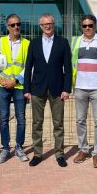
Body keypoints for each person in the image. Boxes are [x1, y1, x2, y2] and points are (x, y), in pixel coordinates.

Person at [24, 12, 72, 168]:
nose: (48, 26)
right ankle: (37, 154)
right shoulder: (34, 43)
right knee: (37, 123)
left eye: (50, 23)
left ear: (54, 24)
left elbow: (68, 68)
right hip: (37, 88)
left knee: (58, 124)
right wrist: (26, 89)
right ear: (40, 26)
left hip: (58, 89)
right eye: (45, 24)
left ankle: (60, 154)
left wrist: (67, 89)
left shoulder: (63, 42)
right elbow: (28, 67)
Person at [71, 14, 97, 168]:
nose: (87, 28)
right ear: (81, 27)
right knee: (80, 120)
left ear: (95, 26)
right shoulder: (75, 41)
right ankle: (83, 149)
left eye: (90, 25)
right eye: (84, 26)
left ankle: (96, 153)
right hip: (80, 87)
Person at [0, 14, 30, 163]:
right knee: (3, 118)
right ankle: (5, 148)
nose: (16, 27)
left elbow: (29, 66)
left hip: (19, 86)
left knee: (21, 119)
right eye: (12, 25)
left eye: (18, 24)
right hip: (3, 86)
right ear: (7, 27)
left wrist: (16, 80)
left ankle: (19, 148)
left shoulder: (27, 44)